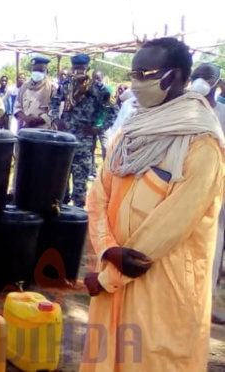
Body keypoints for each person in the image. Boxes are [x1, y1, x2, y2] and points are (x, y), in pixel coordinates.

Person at [82, 37, 225, 371]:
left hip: (161, 286)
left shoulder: (202, 143)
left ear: (173, 77)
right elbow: (99, 195)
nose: (135, 83)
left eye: (143, 74)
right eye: (133, 74)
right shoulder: (131, 129)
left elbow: (171, 225)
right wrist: (107, 249)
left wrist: (108, 277)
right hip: (115, 267)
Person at [50, 53, 116, 207]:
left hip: (84, 142)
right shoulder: (66, 85)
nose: (78, 71)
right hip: (64, 141)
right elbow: (53, 102)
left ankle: (77, 220)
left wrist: (98, 129)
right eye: (75, 68)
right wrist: (55, 119)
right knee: (60, 186)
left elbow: (113, 110)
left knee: (80, 189)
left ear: (87, 68)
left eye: (81, 68)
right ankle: (61, 216)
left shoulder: (98, 88)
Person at [188, 63, 225, 325]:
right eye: (197, 77)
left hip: (216, 192)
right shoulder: (183, 108)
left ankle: (204, 303)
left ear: (216, 83)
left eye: (205, 78)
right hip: (183, 189)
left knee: (212, 244)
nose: (201, 82)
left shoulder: (222, 113)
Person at [15, 56, 56, 129]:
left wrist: (38, 121)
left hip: (45, 130)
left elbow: (55, 110)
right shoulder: (24, 86)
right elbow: (17, 107)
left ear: (47, 72)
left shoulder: (52, 88)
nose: (37, 73)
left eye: (41, 71)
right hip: (26, 127)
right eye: (35, 70)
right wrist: (26, 119)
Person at [89, 70, 114, 177]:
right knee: (91, 149)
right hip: (92, 126)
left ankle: (106, 171)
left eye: (98, 78)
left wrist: (104, 126)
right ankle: (92, 171)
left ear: (103, 78)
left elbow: (113, 110)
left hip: (103, 125)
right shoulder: (89, 91)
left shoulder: (108, 90)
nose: (96, 81)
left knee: (106, 147)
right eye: (94, 78)